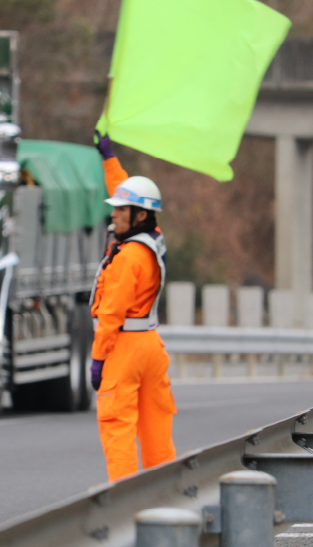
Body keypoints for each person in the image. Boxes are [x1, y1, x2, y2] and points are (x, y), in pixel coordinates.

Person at [89, 132, 177, 482]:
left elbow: (111, 313)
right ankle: (166, 490)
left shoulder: (129, 259)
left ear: (139, 215)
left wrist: (98, 358)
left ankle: (122, 498)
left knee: (117, 425)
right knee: (157, 426)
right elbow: (126, 189)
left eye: (121, 211)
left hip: (123, 349)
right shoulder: (151, 239)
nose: (114, 216)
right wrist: (108, 157)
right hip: (150, 347)